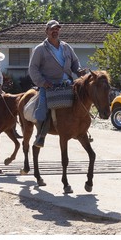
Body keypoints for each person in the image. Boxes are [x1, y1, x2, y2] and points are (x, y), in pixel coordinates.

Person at [28, 20, 86, 148]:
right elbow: (33, 69)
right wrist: (42, 82)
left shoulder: (66, 47)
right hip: (49, 85)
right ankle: (40, 136)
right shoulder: (40, 49)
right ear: (47, 31)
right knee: (42, 108)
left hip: (68, 83)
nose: (55, 31)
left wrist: (78, 70)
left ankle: (83, 131)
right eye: (52, 29)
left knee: (82, 103)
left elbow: (75, 63)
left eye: (57, 29)